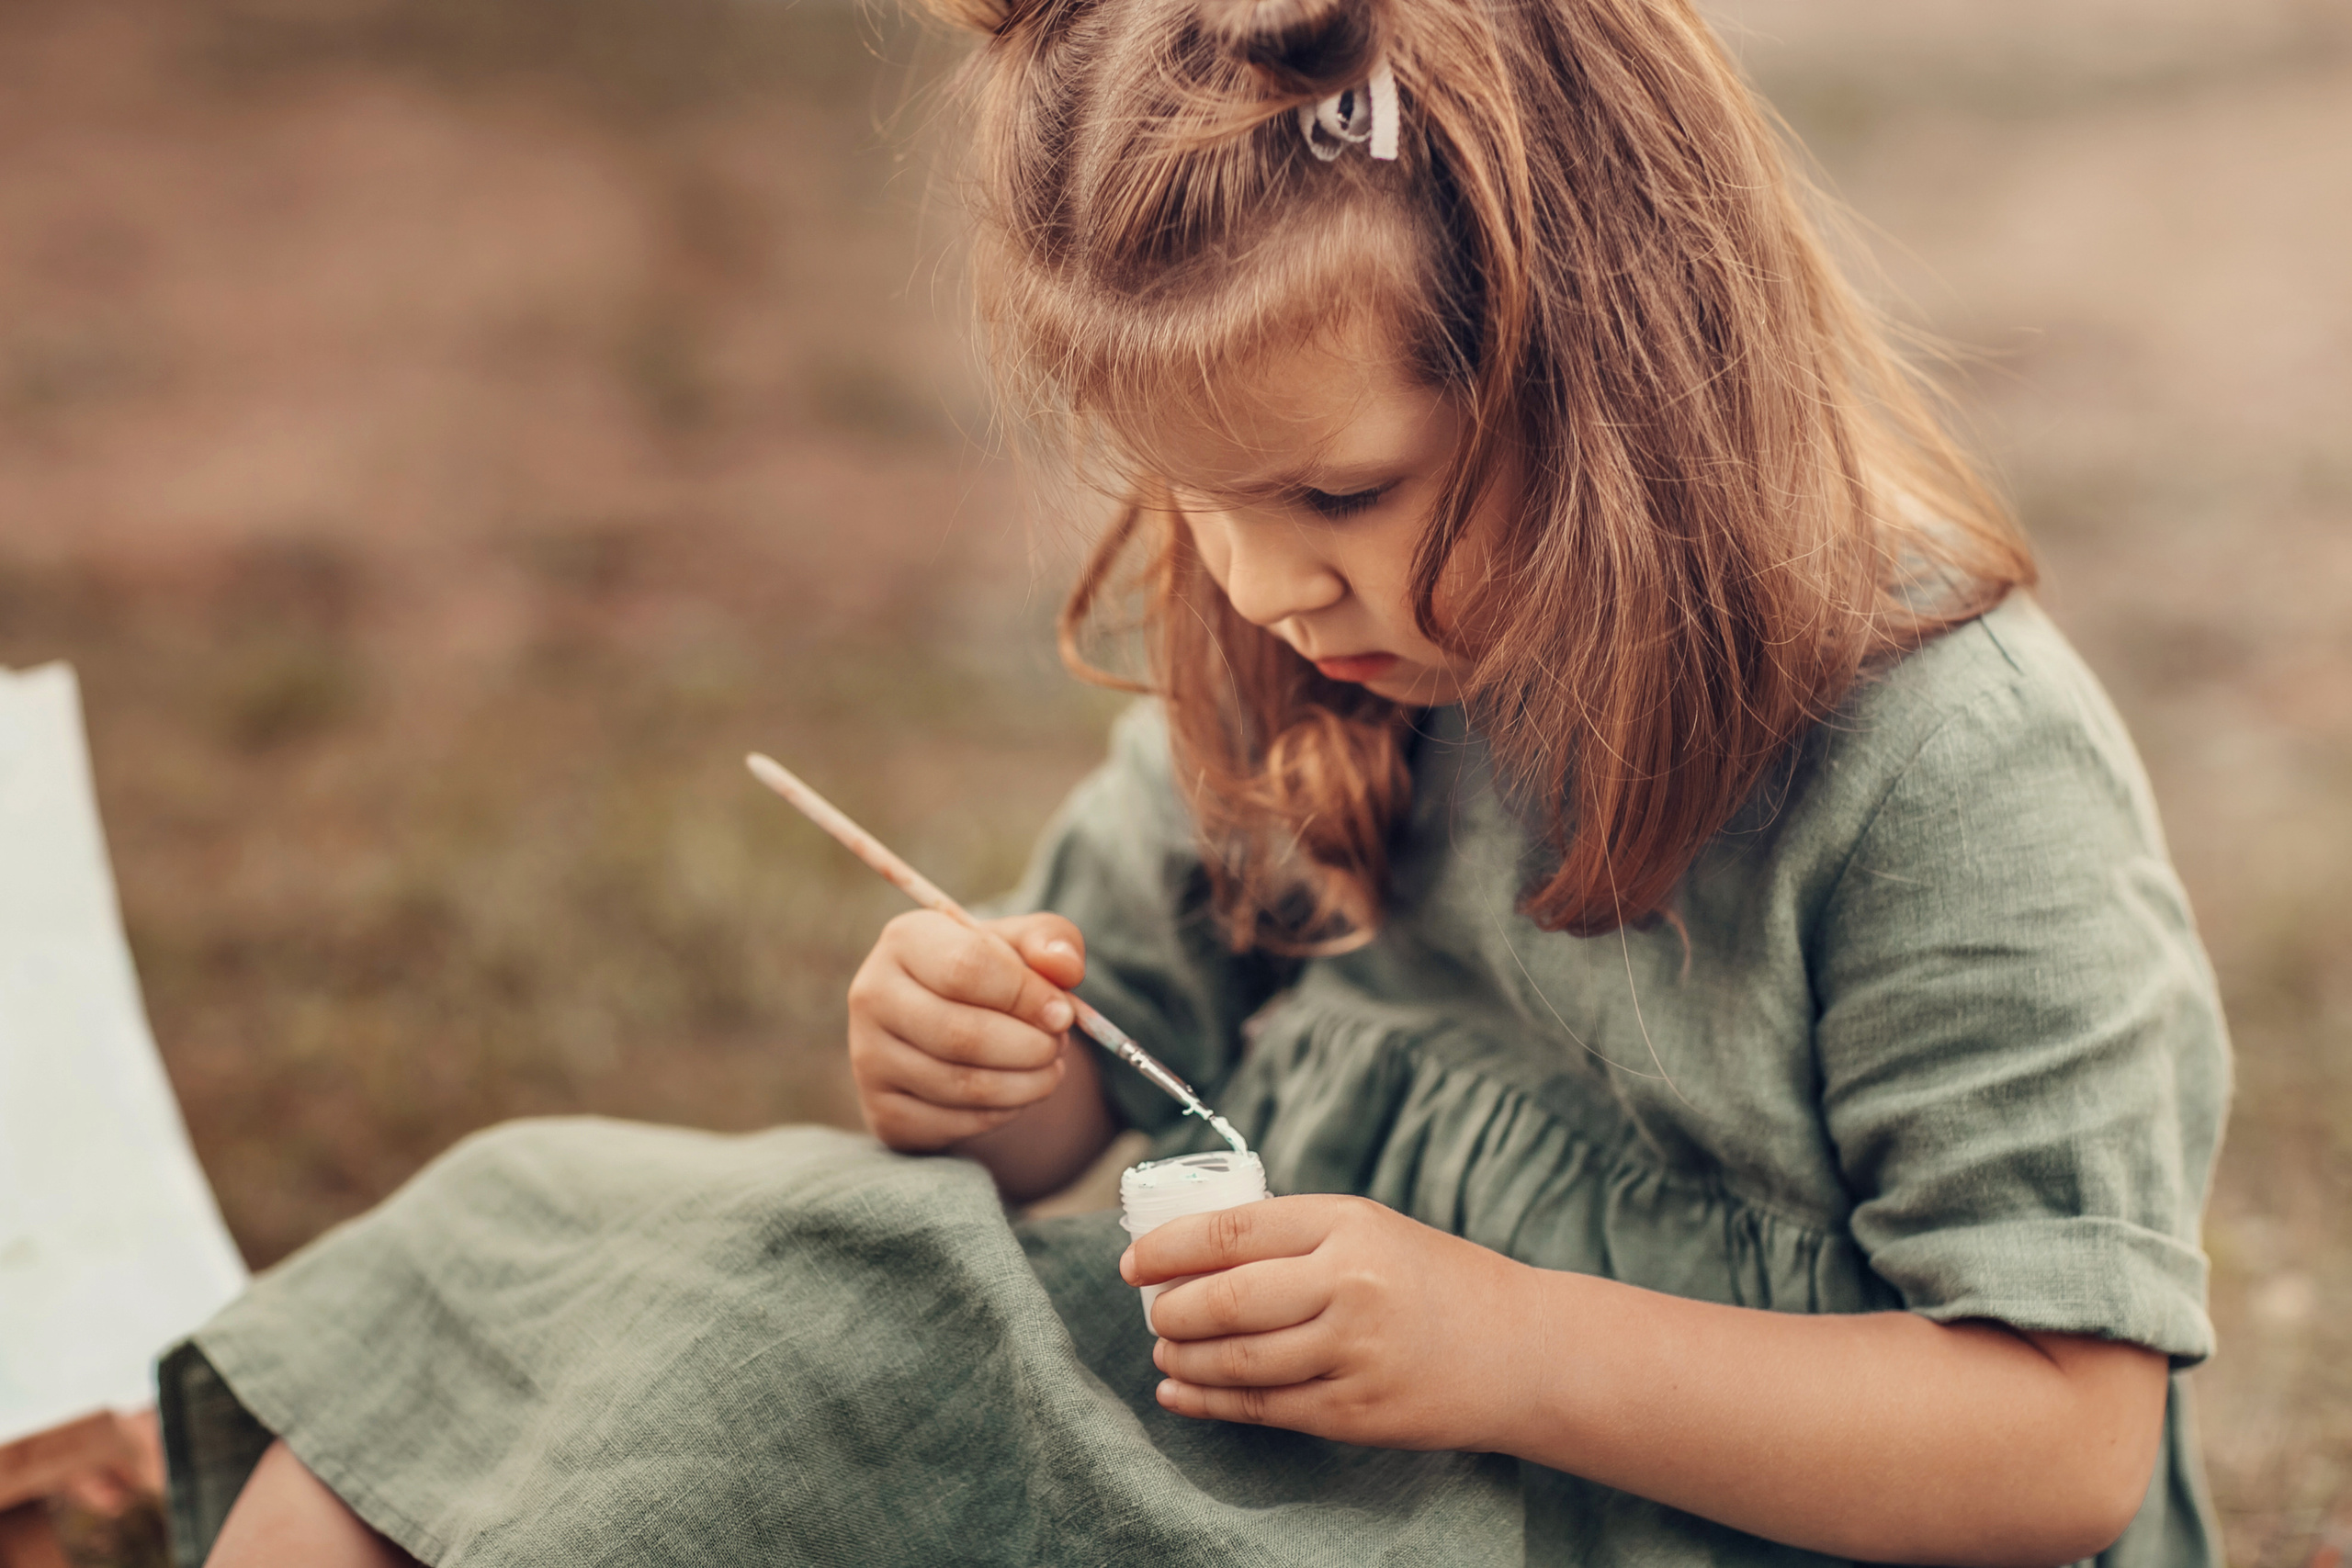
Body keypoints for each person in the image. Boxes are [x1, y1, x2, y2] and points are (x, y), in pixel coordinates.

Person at [159, 0, 2231, 1563]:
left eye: (1335, 488)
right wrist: (984, 1066)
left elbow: (2054, 1439)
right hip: (1297, 1462)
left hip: (1674, 1518)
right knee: (557, 1256)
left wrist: (1502, 1345)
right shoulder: (1324, 632)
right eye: (1193, 495)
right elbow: (1112, 1069)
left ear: (1617, 373)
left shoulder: (1940, 758)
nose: (1250, 577)